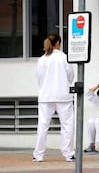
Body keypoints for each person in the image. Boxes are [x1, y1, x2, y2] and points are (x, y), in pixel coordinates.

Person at [33, 33, 75, 162]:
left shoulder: (42, 59)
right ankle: (68, 154)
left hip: (46, 95)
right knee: (67, 125)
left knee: (43, 125)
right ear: (58, 43)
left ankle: (38, 154)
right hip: (63, 95)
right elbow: (70, 76)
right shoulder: (64, 57)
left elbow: (39, 78)